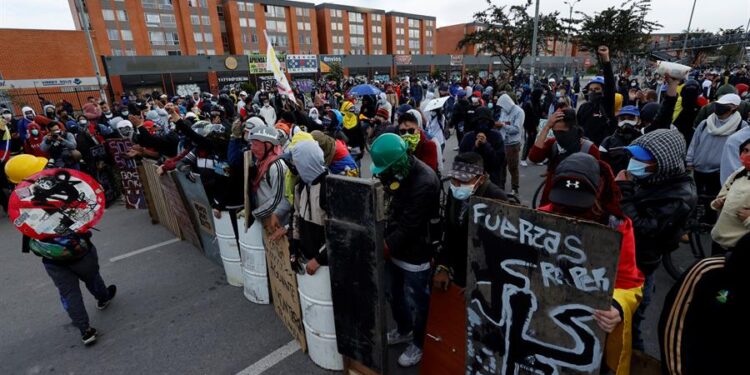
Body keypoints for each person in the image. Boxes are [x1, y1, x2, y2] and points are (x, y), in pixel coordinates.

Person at [540, 153, 644, 375]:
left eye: (579, 205)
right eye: (563, 203)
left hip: (589, 332)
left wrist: (617, 307)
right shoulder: (537, 219)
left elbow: (630, 281)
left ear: (599, 190)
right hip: (542, 324)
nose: (570, 211)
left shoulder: (617, 226)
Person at [4, 155, 116, 346]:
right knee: (92, 277)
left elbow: (26, 228)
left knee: (69, 294)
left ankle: (85, 330)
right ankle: (102, 297)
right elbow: (84, 210)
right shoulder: (57, 188)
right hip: (80, 249)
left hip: (51, 257)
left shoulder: (17, 201)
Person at [616, 129, 697, 351]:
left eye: (642, 160)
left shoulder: (680, 196)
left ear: (663, 162)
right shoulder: (653, 178)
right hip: (625, 257)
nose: (634, 163)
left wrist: (624, 192)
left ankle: (635, 360)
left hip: (641, 264)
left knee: (630, 322)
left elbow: (643, 229)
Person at [370, 133, 439, 367]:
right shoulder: (397, 173)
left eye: (385, 168)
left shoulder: (425, 182)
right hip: (395, 244)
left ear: (398, 162)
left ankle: (419, 343)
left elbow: (411, 226)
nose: (382, 173)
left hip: (416, 251)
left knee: (419, 300)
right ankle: (404, 328)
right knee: (393, 291)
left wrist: (383, 248)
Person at [433, 153, 506, 289]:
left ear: (481, 179)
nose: (457, 184)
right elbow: (449, 231)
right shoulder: (454, 192)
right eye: (454, 179)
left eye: (464, 181)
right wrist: (443, 266)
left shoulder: (495, 197)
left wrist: (479, 284)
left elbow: (499, 248)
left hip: (484, 277)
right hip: (458, 269)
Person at [688, 93, 747, 223]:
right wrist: (689, 160)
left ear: (734, 108)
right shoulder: (705, 123)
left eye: (723, 106)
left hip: (719, 171)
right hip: (699, 168)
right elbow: (694, 142)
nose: (718, 108)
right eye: (718, 105)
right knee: (694, 197)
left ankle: (708, 221)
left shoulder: (741, 127)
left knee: (713, 199)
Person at [528, 108, 600, 206]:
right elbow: (534, 157)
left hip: (579, 202)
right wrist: (546, 127)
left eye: (562, 132)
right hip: (551, 200)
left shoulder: (589, 149)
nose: (558, 136)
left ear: (573, 128)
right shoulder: (553, 144)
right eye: (555, 132)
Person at [710, 138, 750, 254]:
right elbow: (722, 195)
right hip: (719, 240)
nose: (747, 155)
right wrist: (718, 202)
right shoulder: (739, 172)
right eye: (745, 150)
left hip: (738, 249)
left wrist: (748, 219)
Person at [577, 46, 616, 146]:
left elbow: (610, 83)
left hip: (603, 149)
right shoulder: (583, 107)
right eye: (591, 89)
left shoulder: (606, 104)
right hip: (585, 149)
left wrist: (606, 59)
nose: (593, 92)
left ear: (603, 90)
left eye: (597, 89)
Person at [459, 107, 505, 185]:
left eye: (486, 122)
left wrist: (486, 145)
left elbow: (499, 161)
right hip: (471, 180)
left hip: (492, 180)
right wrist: (475, 147)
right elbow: (461, 162)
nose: (482, 125)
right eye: (480, 121)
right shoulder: (468, 138)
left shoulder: (496, 136)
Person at [599, 105, 643, 175]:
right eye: (622, 119)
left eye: (631, 118)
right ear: (618, 120)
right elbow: (602, 169)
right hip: (615, 182)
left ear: (639, 120)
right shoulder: (607, 142)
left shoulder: (644, 141)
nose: (626, 121)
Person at [495, 93, 524, 195]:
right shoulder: (504, 111)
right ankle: (501, 185)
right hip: (502, 142)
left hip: (513, 143)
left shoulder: (519, 112)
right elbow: (501, 121)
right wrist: (499, 124)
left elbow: (516, 129)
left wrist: (502, 125)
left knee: (513, 167)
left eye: (503, 105)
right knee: (502, 165)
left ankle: (515, 188)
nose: (502, 108)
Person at [521, 88, 544, 166]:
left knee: (537, 143)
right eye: (540, 95)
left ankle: (535, 159)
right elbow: (525, 118)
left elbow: (541, 114)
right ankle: (523, 158)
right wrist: (530, 128)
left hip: (537, 126)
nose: (541, 96)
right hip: (530, 127)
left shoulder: (538, 103)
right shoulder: (528, 104)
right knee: (528, 143)